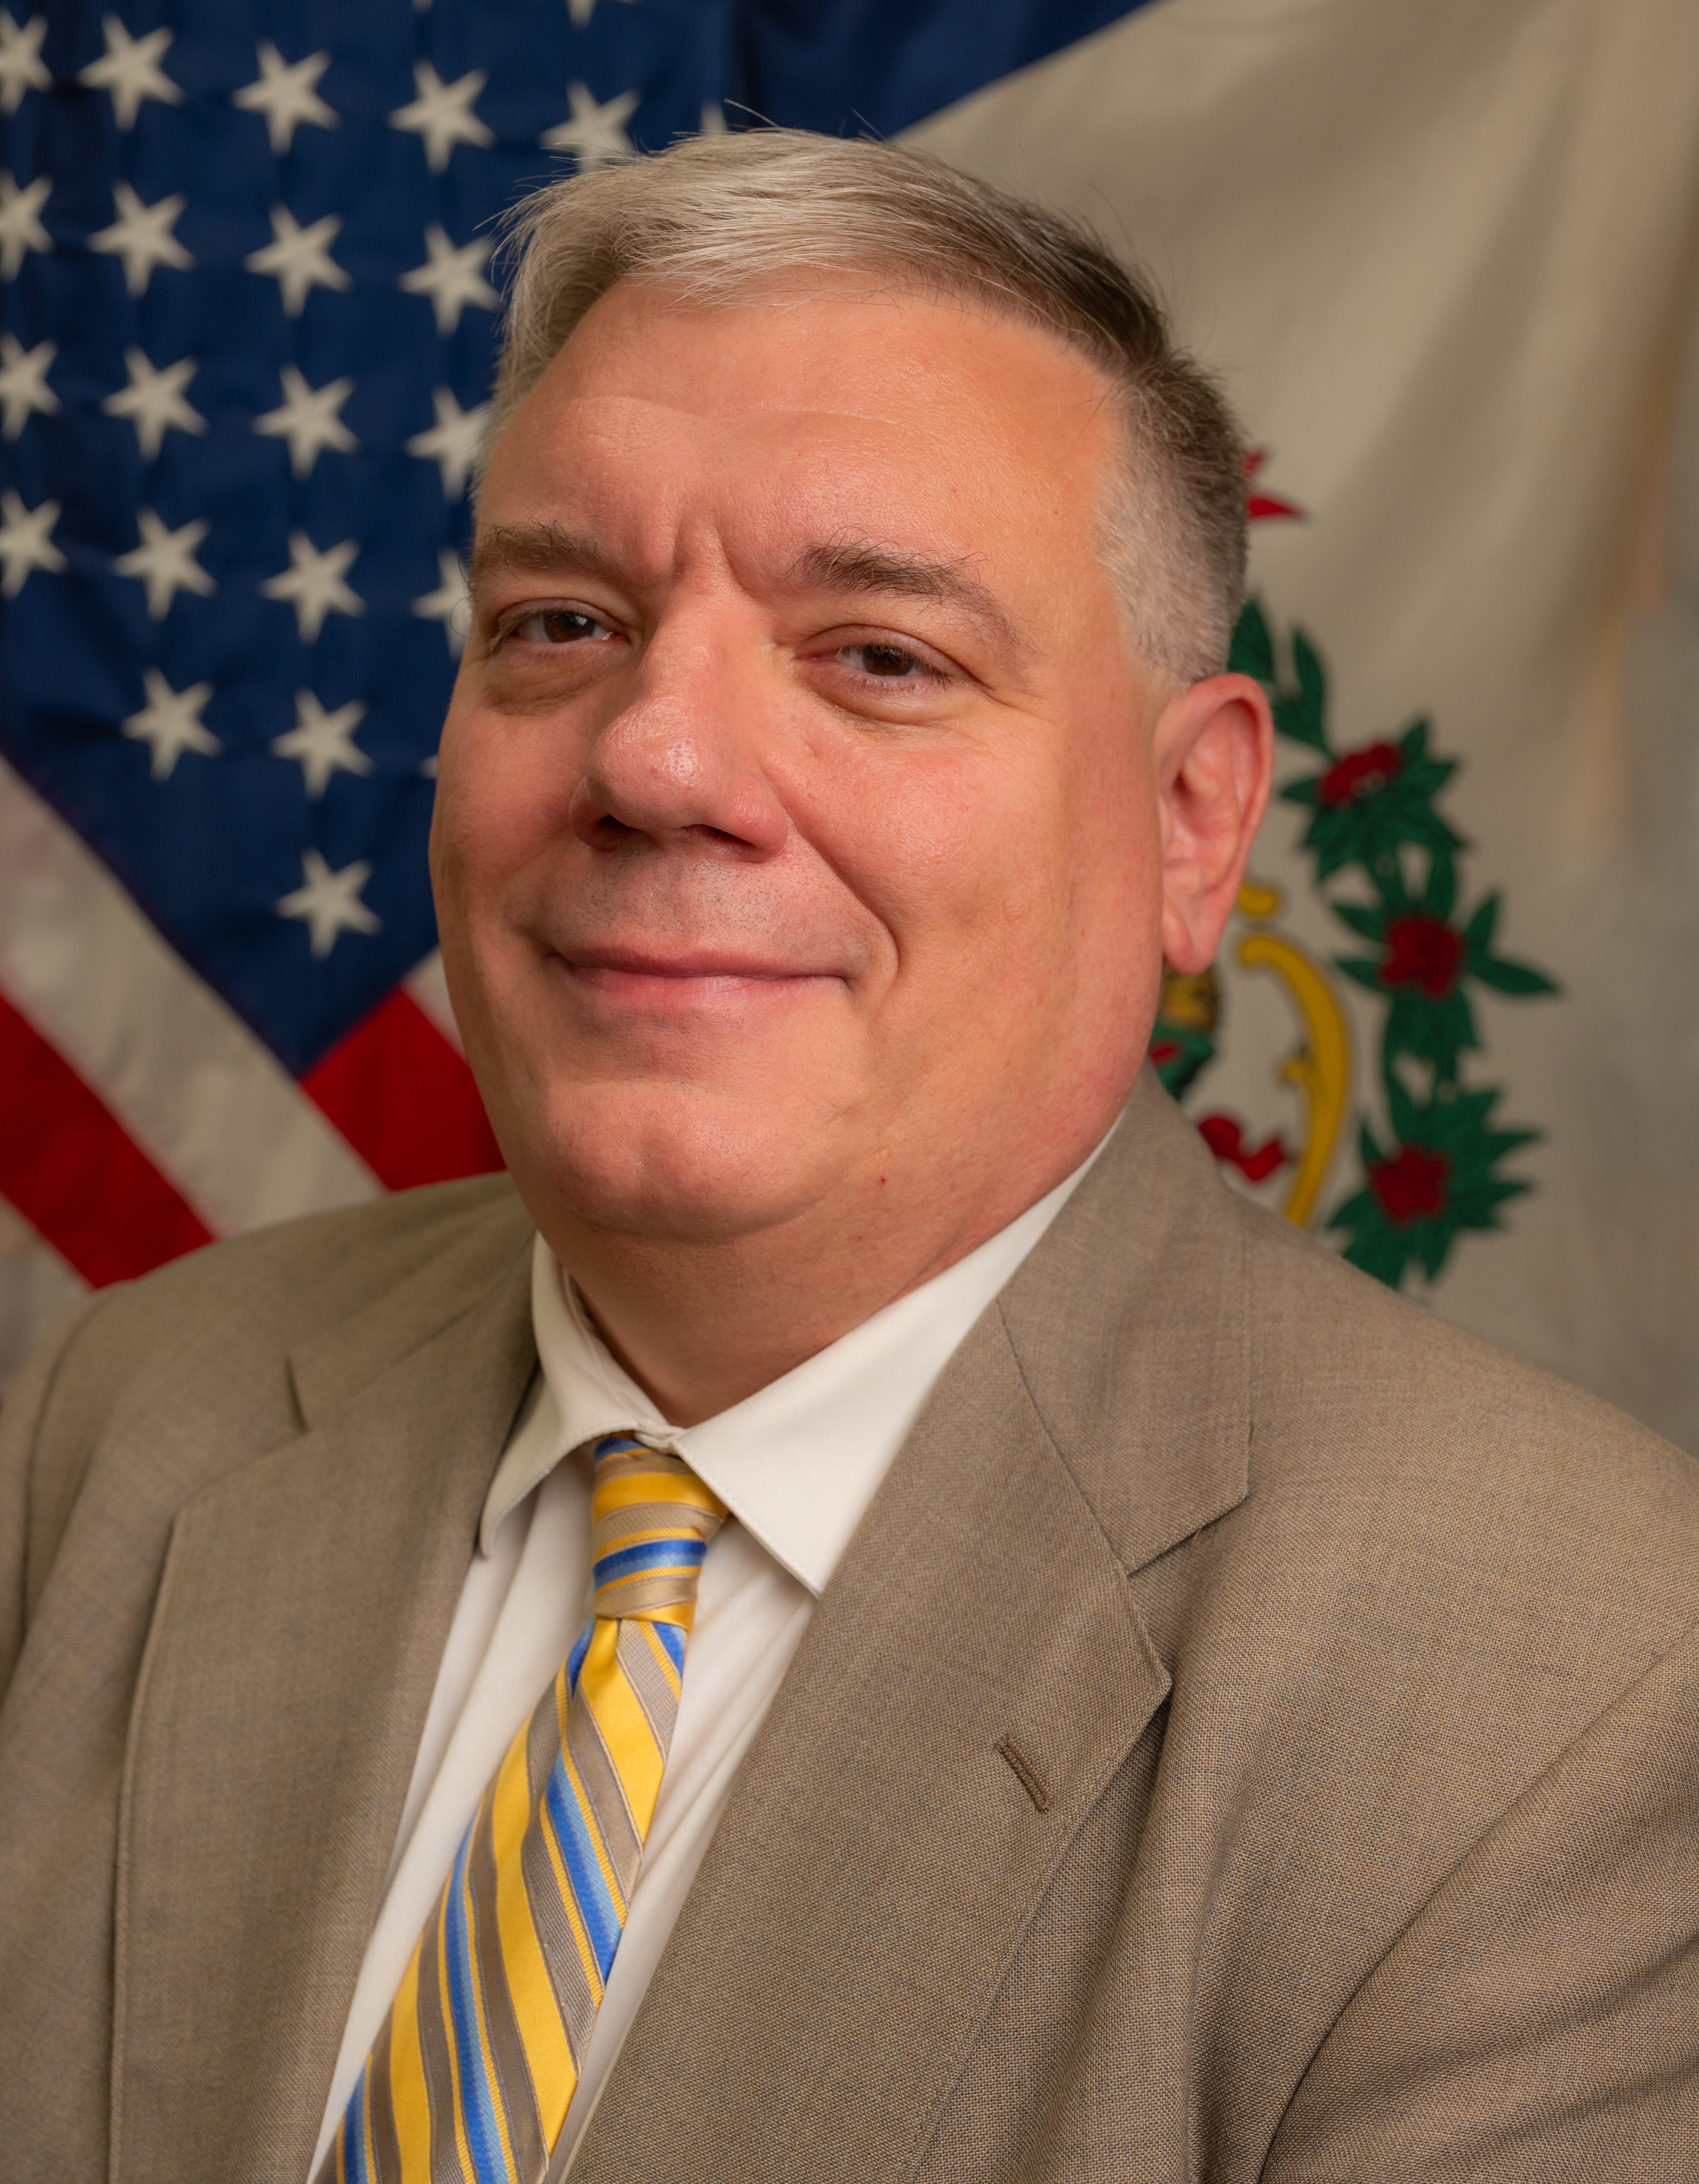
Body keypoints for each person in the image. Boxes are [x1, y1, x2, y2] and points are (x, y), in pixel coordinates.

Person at [2, 129, 1696, 2184]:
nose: (657, 758)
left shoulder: (1584, 1694)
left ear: (1192, 823)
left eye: (880, 655)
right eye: (561, 621)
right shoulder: (118, 1425)